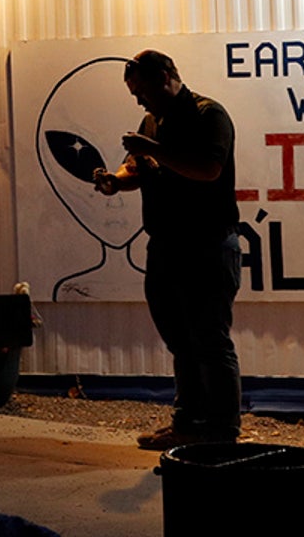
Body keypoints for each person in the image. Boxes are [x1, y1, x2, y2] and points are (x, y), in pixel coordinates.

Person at [93, 49, 242, 449]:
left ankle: (223, 432)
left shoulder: (209, 115)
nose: (138, 100)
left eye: (140, 90)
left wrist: (153, 150)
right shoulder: (151, 121)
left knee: (209, 339)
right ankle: (188, 424)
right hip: (166, 246)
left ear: (164, 77)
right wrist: (113, 181)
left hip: (208, 244)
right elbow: (136, 168)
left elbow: (209, 170)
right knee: (180, 339)